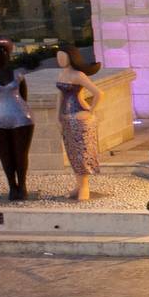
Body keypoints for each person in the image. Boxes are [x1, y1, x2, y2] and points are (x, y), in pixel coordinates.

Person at [0, 38, 35, 201]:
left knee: (21, 154)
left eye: (5, 54)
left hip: (21, 117)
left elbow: (23, 96)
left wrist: (18, 108)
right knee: (5, 155)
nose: (4, 57)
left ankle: (22, 185)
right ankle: (12, 186)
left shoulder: (18, 74)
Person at [55, 47, 102, 201]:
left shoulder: (78, 75)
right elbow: (60, 96)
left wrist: (90, 112)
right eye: (58, 57)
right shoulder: (62, 74)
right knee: (72, 152)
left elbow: (99, 93)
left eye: (63, 56)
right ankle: (79, 185)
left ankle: (84, 186)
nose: (60, 60)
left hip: (80, 116)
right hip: (66, 117)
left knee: (82, 152)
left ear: (71, 57)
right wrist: (57, 116)